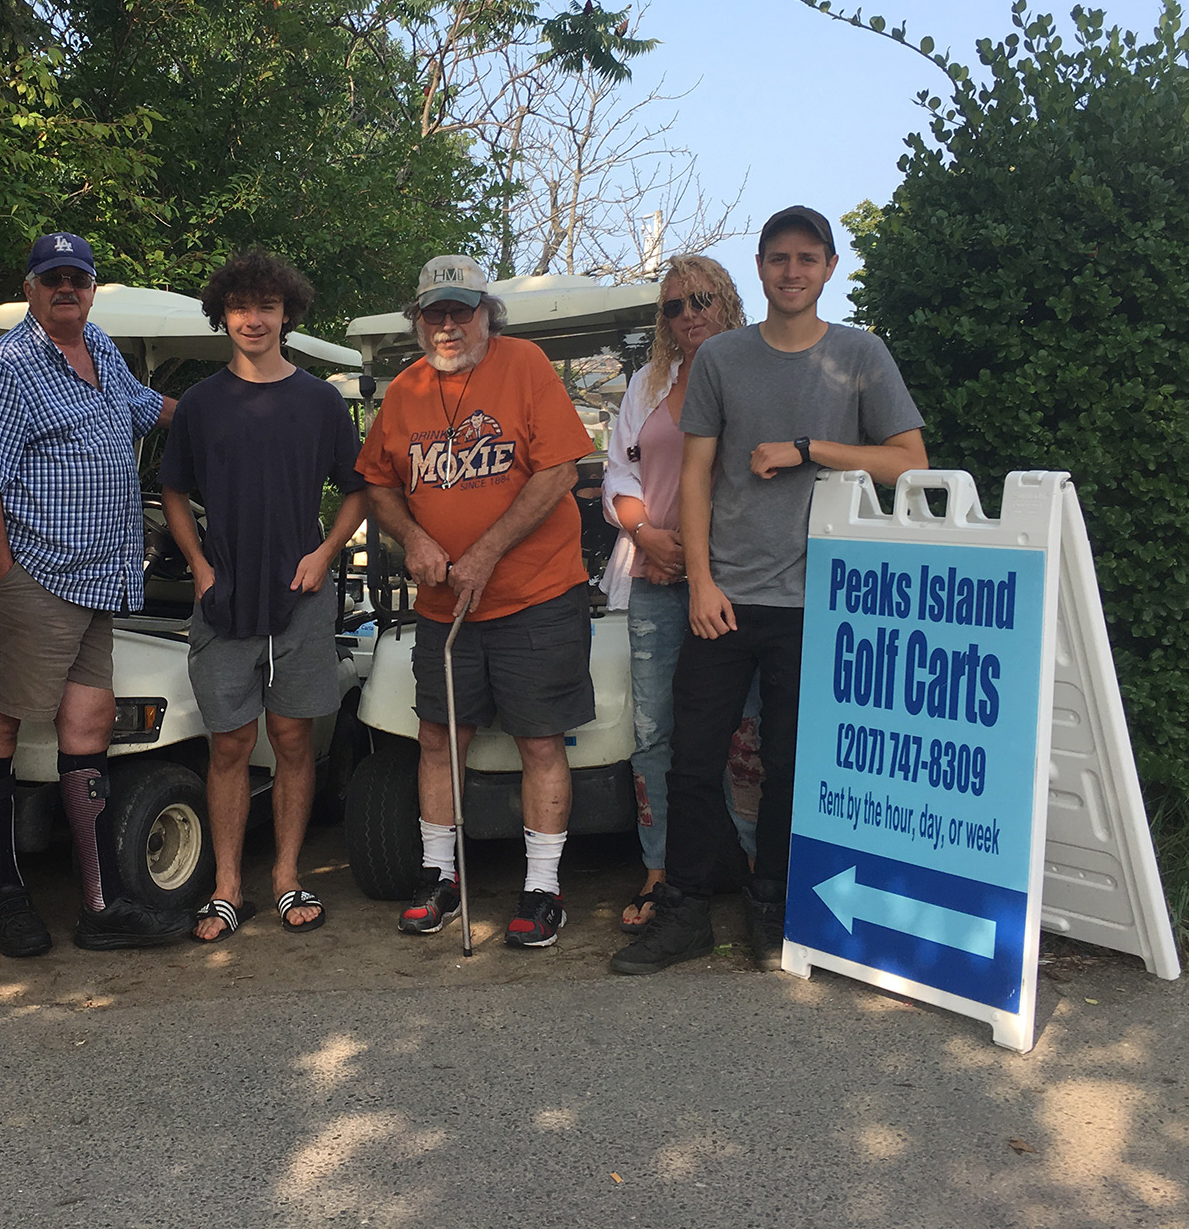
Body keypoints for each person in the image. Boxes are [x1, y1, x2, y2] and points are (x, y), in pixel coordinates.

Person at [612, 206, 928, 976]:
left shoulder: (861, 355)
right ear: (758, 268)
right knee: (692, 759)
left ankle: (772, 905)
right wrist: (701, 583)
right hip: (727, 597)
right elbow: (694, 475)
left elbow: (910, 462)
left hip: (821, 600)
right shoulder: (723, 357)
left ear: (828, 267)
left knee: (790, 762)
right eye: (779, 258)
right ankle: (682, 910)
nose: (792, 271)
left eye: (807, 259)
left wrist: (810, 449)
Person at [0, 232, 186, 956]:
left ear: (90, 286)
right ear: (30, 287)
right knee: (2, 726)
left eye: (77, 277)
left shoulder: (101, 348)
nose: (66, 289)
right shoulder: (4, 369)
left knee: (88, 726)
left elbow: (149, 407)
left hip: (96, 576)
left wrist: (232, 408)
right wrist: (5, 581)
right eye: (52, 278)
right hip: (32, 575)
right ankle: (3, 894)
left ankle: (101, 904)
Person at [356, 255, 598, 949]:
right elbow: (379, 486)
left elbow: (558, 470)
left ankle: (542, 888)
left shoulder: (524, 365)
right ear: (419, 320)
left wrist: (487, 551)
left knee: (541, 740)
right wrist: (414, 540)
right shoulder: (402, 391)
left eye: (462, 311)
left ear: (486, 313)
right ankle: (440, 876)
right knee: (438, 739)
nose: (449, 325)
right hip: (443, 605)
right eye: (435, 313)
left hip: (537, 596)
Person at [159, 251, 368, 942]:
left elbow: (359, 490)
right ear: (223, 315)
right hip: (224, 598)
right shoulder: (201, 403)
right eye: (241, 306)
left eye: (267, 306)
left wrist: (325, 553)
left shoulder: (320, 400)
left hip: (300, 593)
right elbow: (174, 491)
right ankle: (225, 887)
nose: (254, 318)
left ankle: (284, 877)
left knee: (292, 738)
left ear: (287, 314)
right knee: (229, 745)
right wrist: (198, 564)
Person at [601, 254, 758, 931]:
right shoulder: (647, 384)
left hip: (735, 580)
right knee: (654, 733)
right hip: (656, 578)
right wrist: (649, 536)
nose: (689, 314)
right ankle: (660, 870)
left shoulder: (756, 375)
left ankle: (757, 874)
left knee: (744, 733)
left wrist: (697, 557)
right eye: (674, 306)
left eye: (701, 299)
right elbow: (618, 477)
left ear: (725, 300)